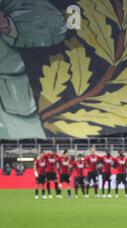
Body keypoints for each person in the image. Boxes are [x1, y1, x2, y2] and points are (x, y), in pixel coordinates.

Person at [0, 1, 66, 139]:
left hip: (12, 95)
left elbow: (55, 24)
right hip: (13, 94)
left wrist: (8, 25)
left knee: (25, 140)